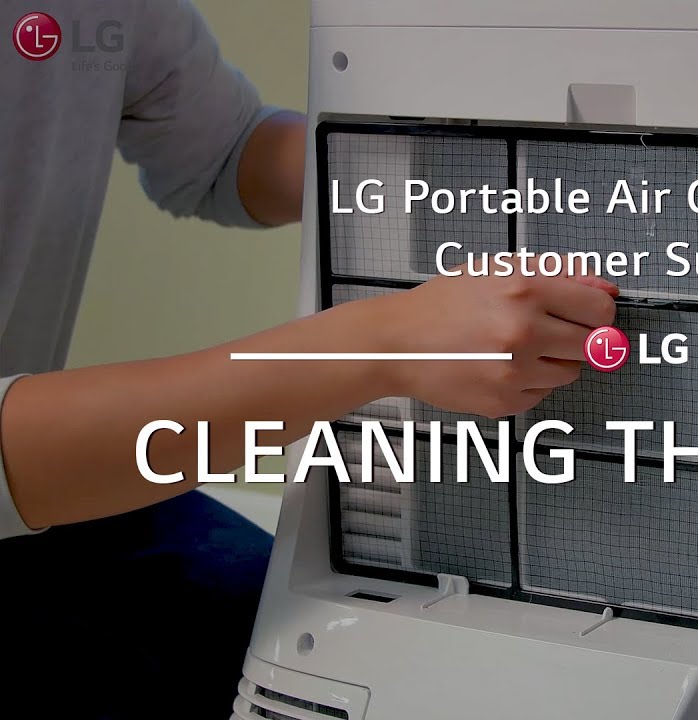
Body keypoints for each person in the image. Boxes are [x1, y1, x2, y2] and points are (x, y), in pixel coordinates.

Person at [0, 2, 616, 717]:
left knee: (330, 646)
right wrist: (382, 343)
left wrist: (466, 175)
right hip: (27, 487)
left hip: (43, 514)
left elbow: (227, 152)